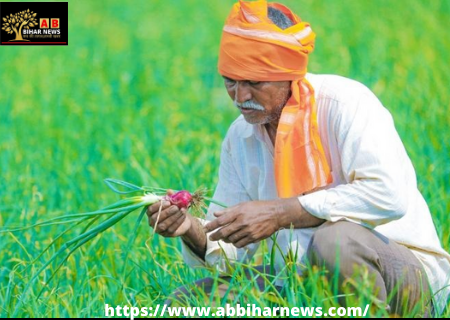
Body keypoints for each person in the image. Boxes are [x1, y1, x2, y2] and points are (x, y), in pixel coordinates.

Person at [146, 0, 450, 316]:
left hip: (404, 282)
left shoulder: (346, 105)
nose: (240, 97)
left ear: (288, 73)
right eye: (230, 81)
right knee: (187, 303)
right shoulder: (241, 137)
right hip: (304, 278)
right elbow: (228, 251)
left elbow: (389, 197)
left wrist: (281, 213)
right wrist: (188, 228)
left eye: (253, 82)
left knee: (335, 242)